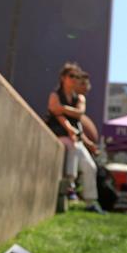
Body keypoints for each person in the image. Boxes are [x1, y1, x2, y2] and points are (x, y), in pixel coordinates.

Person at [45, 63, 101, 212]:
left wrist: (61, 108)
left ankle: (91, 202)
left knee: (90, 166)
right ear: (63, 77)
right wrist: (69, 127)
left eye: (77, 76)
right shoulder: (55, 95)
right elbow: (58, 115)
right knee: (71, 145)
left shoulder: (79, 98)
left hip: (75, 138)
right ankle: (70, 186)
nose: (75, 79)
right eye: (71, 76)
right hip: (60, 135)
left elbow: (78, 114)